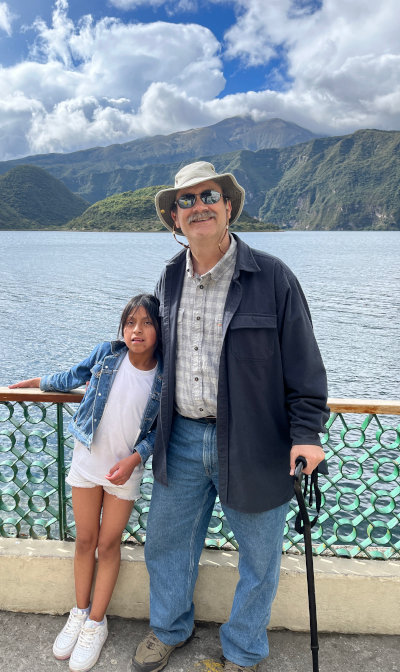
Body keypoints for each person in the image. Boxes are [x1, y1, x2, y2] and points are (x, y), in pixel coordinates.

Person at [131, 162, 329, 672]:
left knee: (260, 557)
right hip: (180, 436)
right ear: (175, 219)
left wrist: (306, 434)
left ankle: (243, 650)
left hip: (255, 443)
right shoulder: (169, 277)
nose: (198, 206)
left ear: (229, 207)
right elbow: (152, 348)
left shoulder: (273, 277)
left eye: (208, 196)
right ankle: (169, 628)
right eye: (186, 200)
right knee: (167, 545)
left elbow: (305, 366)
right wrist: (93, 372)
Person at [10, 294, 163, 672]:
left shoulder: (166, 374)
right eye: (130, 322)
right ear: (122, 328)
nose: (137, 330)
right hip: (88, 459)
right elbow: (73, 377)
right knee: (85, 540)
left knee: (109, 544)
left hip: (124, 470)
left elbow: (162, 430)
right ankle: (79, 613)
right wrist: (38, 382)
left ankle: (96, 622)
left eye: (146, 323)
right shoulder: (107, 355)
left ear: (160, 329)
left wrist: (136, 458)